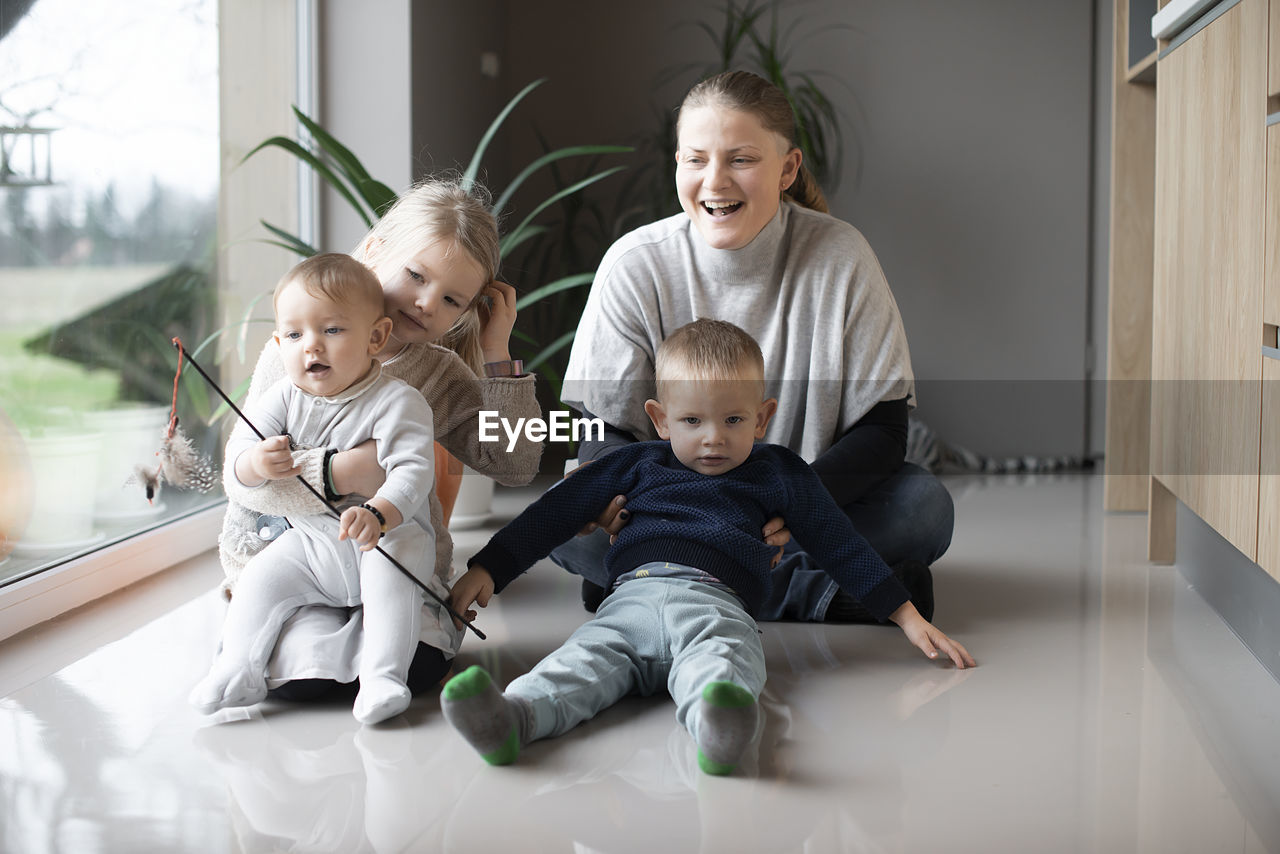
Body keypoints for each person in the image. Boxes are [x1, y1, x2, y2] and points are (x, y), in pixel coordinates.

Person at [442, 320, 974, 775]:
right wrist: (489, 567)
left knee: (722, 667)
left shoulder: (778, 471)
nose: (713, 438)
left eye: (734, 420)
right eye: (692, 421)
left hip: (717, 606)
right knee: (578, 662)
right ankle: (512, 719)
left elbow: (837, 540)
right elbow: (551, 515)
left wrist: (904, 615)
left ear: (762, 418)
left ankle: (721, 734)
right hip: (630, 601)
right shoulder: (634, 463)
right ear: (659, 418)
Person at [554, 70, 952, 623]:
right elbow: (604, 428)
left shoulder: (843, 257)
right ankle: (830, 592)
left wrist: (795, 498)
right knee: (563, 523)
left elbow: (884, 430)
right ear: (677, 164)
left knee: (923, 508)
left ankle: (657, 580)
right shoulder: (634, 264)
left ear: (788, 168)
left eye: (740, 159)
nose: (714, 181)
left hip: (798, 508)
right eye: (696, 160)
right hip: (673, 506)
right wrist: (617, 497)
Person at [217, 177, 543, 701]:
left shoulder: (438, 371)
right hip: (292, 559)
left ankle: (381, 676)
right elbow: (245, 484)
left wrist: (498, 353)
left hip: (392, 562)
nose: (426, 302)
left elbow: (514, 464)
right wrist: (341, 472)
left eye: (452, 300)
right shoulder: (292, 353)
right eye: (415, 274)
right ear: (374, 250)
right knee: (297, 677)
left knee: (410, 663)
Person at [193, 253, 449, 723]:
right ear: (278, 342)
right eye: (294, 335)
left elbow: (413, 473)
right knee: (261, 578)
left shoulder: (398, 401)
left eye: (332, 330)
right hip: (313, 544)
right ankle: (237, 668)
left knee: (393, 575)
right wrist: (255, 463)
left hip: (384, 539)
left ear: (376, 337)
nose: (312, 347)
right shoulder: (281, 399)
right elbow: (235, 468)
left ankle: (381, 678)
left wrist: (380, 514)